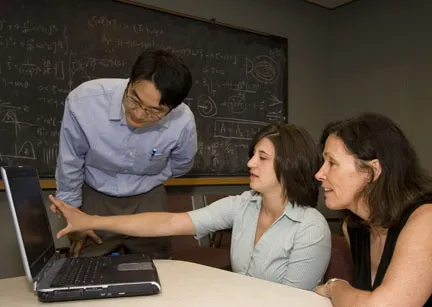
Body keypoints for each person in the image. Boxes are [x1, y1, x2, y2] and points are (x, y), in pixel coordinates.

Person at [50, 123, 332, 291]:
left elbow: (294, 302)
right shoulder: (243, 206)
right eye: (252, 155)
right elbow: (168, 223)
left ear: (290, 165)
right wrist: (91, 220)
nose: (250, 164)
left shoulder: (310, 227)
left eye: (262, 157)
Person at [55, 48, 197, 258]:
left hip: (149, 197)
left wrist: (152, 176)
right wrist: (74, 216)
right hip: (94, 193)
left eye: (154, 110)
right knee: (85, 266)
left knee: (159, 267)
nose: (139, 114)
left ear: (172, 109)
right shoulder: (84, 101)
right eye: (134, 100)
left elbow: (182, 163)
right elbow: (70, 161)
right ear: (130, 81)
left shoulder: (183, 121)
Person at [314, 113, 432, 306]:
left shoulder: (426, 220)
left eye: (332, 163)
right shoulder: (353, 227)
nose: (319, 173)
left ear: (372, 171)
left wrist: (334, 286)